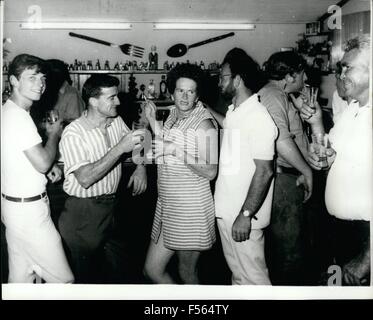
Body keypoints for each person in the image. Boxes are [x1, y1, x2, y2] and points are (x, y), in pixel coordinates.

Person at [58, 74, 147, 283]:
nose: (118, 101)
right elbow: (85, 178)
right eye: (111, 98)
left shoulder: (115, 121)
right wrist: (119, 149)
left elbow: (141, 140)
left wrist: (141, 167)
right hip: (83, 214)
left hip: (112, 208)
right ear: (93, 101)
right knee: (87, 279)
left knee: (122, 273)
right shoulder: (74, 133)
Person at [300, 35, 371, 286]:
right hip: (337, 229)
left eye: (347, 68)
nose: (340, 75)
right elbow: (327, 154)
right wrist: (316, 123)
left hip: (364, 237)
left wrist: (367, 257)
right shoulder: (352, 109)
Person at [207, 48, 278, 285]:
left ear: (237, 80)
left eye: (223, 77)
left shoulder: (258, 117)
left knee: (255, 280)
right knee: (239, 277)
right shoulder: (236, 111)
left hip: (243, 216)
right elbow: (228, 125)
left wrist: (246, 215)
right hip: (228, 212)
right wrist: (206, 109)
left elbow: (265, 170)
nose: (219, 83)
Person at [1, 54, 74, 283]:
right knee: (64, 282)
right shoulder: (19, 118)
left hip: (14, 207)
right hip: (30, 213)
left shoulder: (9, 111)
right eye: (31, 77)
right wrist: (54, 136)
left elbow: (20, 158)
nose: (40, 84)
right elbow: (42, 162)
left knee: (22, 280)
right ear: (13, 80)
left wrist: (43, 167)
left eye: (42, 78)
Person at [143, 63, 218, 284]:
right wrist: (152, 121)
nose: (185, 97)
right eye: (180, 90)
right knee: (151, 270)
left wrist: (176, 150)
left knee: (187, 272)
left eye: (191, 91)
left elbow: (211, 171)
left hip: (191, 210)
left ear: (197, 96)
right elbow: (166, 144)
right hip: (169, 206)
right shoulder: (174, 114)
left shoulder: (204, 124)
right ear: (172, 91)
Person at [258, 51, 313, 285]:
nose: (306, 77)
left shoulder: (277, 94)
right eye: (302, 73)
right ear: (290, 75)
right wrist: (306, 170)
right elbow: (280, 140)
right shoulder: (273, 94)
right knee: (290, 255)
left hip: (285, 181)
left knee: (287, 252)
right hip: (285, 183)